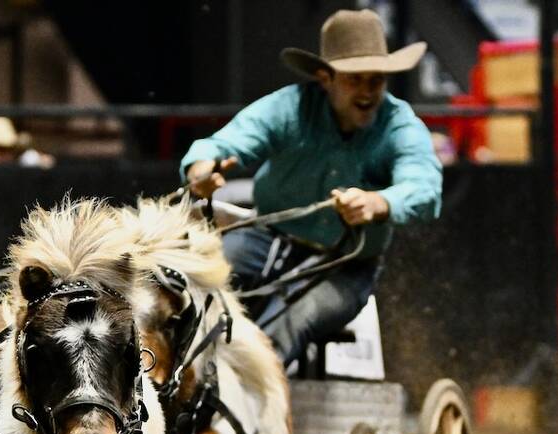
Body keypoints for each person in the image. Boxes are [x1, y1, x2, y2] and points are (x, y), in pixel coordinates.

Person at [181, 8, 442, 365]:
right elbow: (226, 143)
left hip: (345, 265)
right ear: (325, 78)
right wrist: (202, 170)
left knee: (294, 318)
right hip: (268, 238)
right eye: (355, 80)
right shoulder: (290, 108)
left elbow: (424, 185)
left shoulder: (400, 126)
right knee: (197, 286)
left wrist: (378, 203)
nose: (367, 92)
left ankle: (255, 406)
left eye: (376, 81)